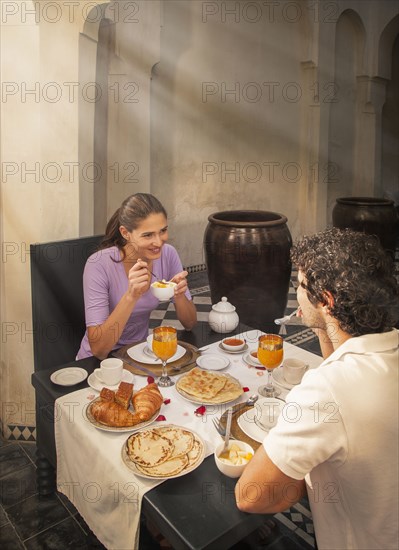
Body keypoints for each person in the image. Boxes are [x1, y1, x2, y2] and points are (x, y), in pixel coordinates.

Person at [235, 228, 399, 550]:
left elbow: (251, 496)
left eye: (300, 285)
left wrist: (296, 472)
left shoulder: (326, 389)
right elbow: (341, 358)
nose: (295, 293)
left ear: (326, 300)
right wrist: (324, 324)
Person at [77, 193, 197, 359]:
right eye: (148, 235)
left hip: (139, 356)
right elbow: (98, 350)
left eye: (163, 231)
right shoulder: (98, 264)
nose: (158, 242)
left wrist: (180, 295)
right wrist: (131, 296)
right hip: (97, 362)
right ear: (125, 233)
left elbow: (190, 324)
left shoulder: (168, 254)